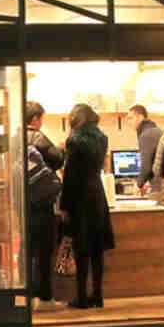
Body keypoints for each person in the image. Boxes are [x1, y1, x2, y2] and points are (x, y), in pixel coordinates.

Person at [60, 103, 115, 309]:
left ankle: (81, 297)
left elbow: (71, 176)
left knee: (81, 248)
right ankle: (98, 296)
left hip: (80, 198)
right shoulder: (102, 138)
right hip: (97, 194)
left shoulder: (74, 141)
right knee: (97, 249)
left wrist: (65, 205)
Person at [26, 101, 64, 308]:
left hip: (22, 204)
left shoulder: (15, 137)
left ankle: (28, 298)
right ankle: (45, 298)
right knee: (43, 252)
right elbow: (57, 160)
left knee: (27, 254)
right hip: (41, 203)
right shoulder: (38, 137)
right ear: (35, 119)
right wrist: (60, 150)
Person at [129, 105, 164, 194]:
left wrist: (138, 185)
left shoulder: (146, 135)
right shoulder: (156, 130)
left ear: (140, 117)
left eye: (131, 118)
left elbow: (146, 166)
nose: (129, 122)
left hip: (160, 186)